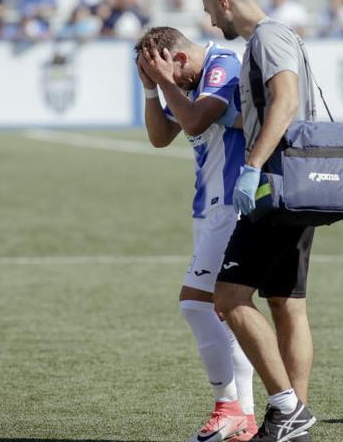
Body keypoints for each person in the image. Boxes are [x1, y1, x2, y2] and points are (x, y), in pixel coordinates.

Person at [204, 0, 316, 442]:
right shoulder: (273, 39)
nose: (212, 22)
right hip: (299, 184)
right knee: (287, 304)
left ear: (226, 2)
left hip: (276, 187)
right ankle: (294, 420)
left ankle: (287, 407)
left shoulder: (268, 37)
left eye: (211, 11)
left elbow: (286, 102)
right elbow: (267, 108)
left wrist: (251, 167)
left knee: (228, 298)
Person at [135, 26, 257, 442]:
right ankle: (247, 420)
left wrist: (167, 82)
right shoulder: (179, 81)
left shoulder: (221, 64)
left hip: (230, 206)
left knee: (194, 305)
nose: (169, 82)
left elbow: (192, 120)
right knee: (225, 314)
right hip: (207, 208)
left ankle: (227, 408)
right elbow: (158, 137)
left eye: (167, 72)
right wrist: (152, 91)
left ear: (180, 59)